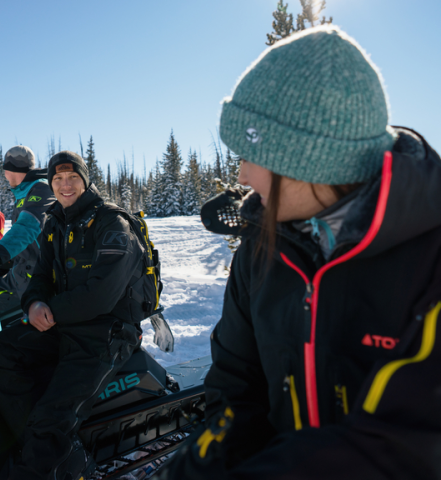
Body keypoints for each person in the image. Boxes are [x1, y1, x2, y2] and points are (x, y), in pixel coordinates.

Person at [157, 25, 441, 479]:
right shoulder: (262, 247)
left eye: (254, 157)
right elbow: (235, 388)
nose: (243, 176)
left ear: (314, 163)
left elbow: (407, 443)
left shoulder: (429, 253)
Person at [0, 151, 145, 480]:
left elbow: (102, 294)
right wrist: (33, 303)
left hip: (106, 333)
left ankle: (48, 464)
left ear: (85, 180)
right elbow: (39, 275)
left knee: (52, 416)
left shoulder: (112, 223)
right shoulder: (56, 221)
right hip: (63, 325)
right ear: (50, 183)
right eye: (58, 179)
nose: (65, 185)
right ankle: (27, 441)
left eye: (72, 178)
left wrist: (50, 309)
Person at [0, 146, 55, 313]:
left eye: (5, 170)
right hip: (19, 276)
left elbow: (28, 227)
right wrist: (4, 264)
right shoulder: (23, 194)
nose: (5, 175)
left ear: (10, 170)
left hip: (37, 282)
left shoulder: (42, 189)